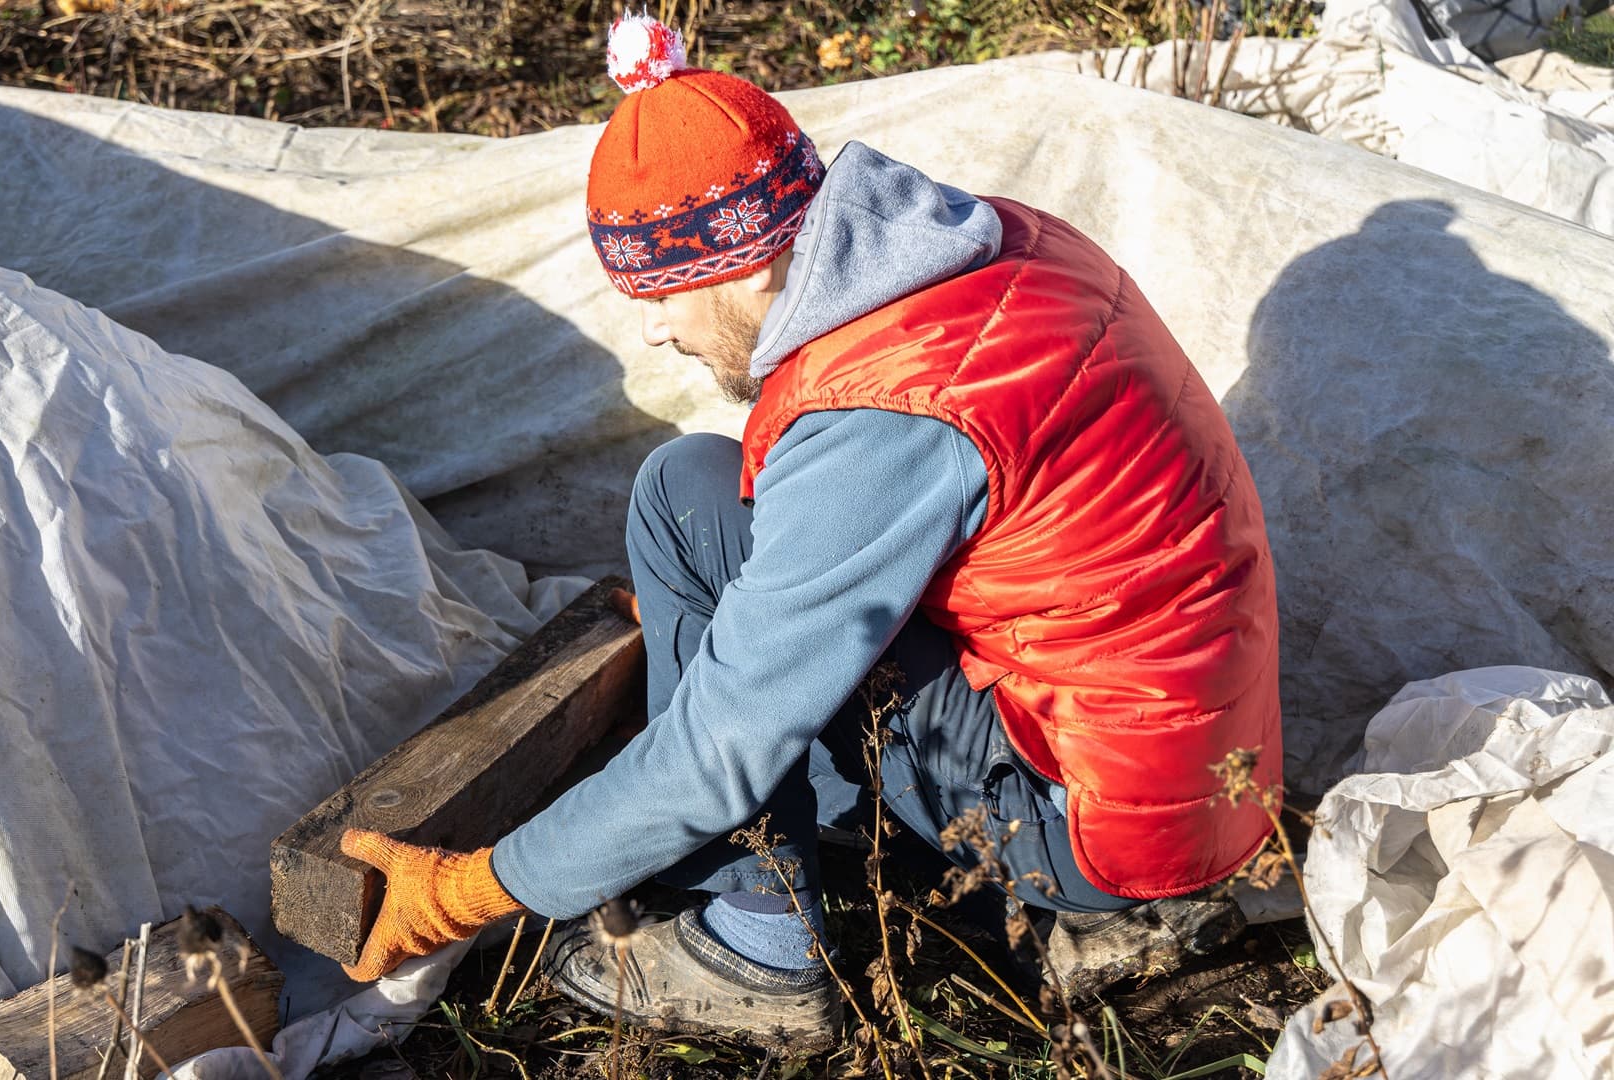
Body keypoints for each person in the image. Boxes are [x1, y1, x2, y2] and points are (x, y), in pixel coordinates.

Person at [332, 14, 1283, 1047]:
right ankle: (1092, 899)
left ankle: (758, 947)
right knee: (696, 483)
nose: (653, 327)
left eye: (659, 292)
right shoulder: (983, 247)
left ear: (740, 264)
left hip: (1090, 817)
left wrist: (472, 890)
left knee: (681, 505)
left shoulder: (886, 418)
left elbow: (719, 758)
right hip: (1195, 768)